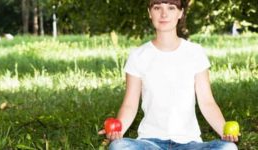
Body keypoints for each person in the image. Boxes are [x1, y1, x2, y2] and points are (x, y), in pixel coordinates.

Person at [98, 0, 239, 149]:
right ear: (149, 13)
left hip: (189, 144)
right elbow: (130, 105)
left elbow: (207, 103)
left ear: (180, 13)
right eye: (157, 7)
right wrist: (117, 131)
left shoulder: (195, 53)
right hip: (150, 143)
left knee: (228, 148)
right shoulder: (138, 56)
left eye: (171, 8)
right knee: (119, 147)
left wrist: (225, 131)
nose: (164, 14)